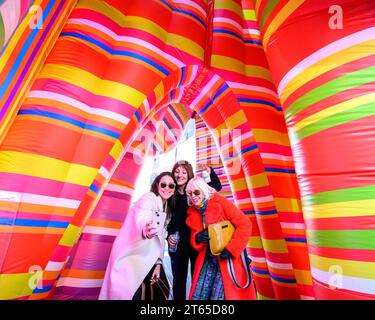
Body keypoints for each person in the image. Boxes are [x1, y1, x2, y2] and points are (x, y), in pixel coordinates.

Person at [99, 172, 176, 300]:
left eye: (171, 185)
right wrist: (147, 227)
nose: (167, 188)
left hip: (147, 257)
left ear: (174, 190)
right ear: (157, 185)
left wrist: (158, 264)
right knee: (129, 293)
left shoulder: (166, 209)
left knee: (162, 290)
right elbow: (143, 214)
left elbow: (160, 239)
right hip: (130, 254)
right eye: (163, 184)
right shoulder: (149, 198)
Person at [185, 176, 256, 300]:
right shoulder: (193, 212)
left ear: (203, 191)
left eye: (196, 192)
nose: (193, 196)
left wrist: (231, 249)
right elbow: (194, 238)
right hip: (207, 260)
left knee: (219, 297)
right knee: (198, 295)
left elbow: (245, 224)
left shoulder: (220, 202)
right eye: (189, 193)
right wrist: (197, 238)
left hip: (226, 258)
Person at [167, 160, 222, 300]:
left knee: (197, 276)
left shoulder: (194, 190)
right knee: (178, 279)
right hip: (179, 243)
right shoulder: (170, 193)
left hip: (196, 240)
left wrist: (210, 173)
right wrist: (168, 235)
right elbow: (166, 218)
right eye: (177, 172)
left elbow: (216, 187)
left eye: (184, 172)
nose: (180, 175)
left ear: (189, 174)